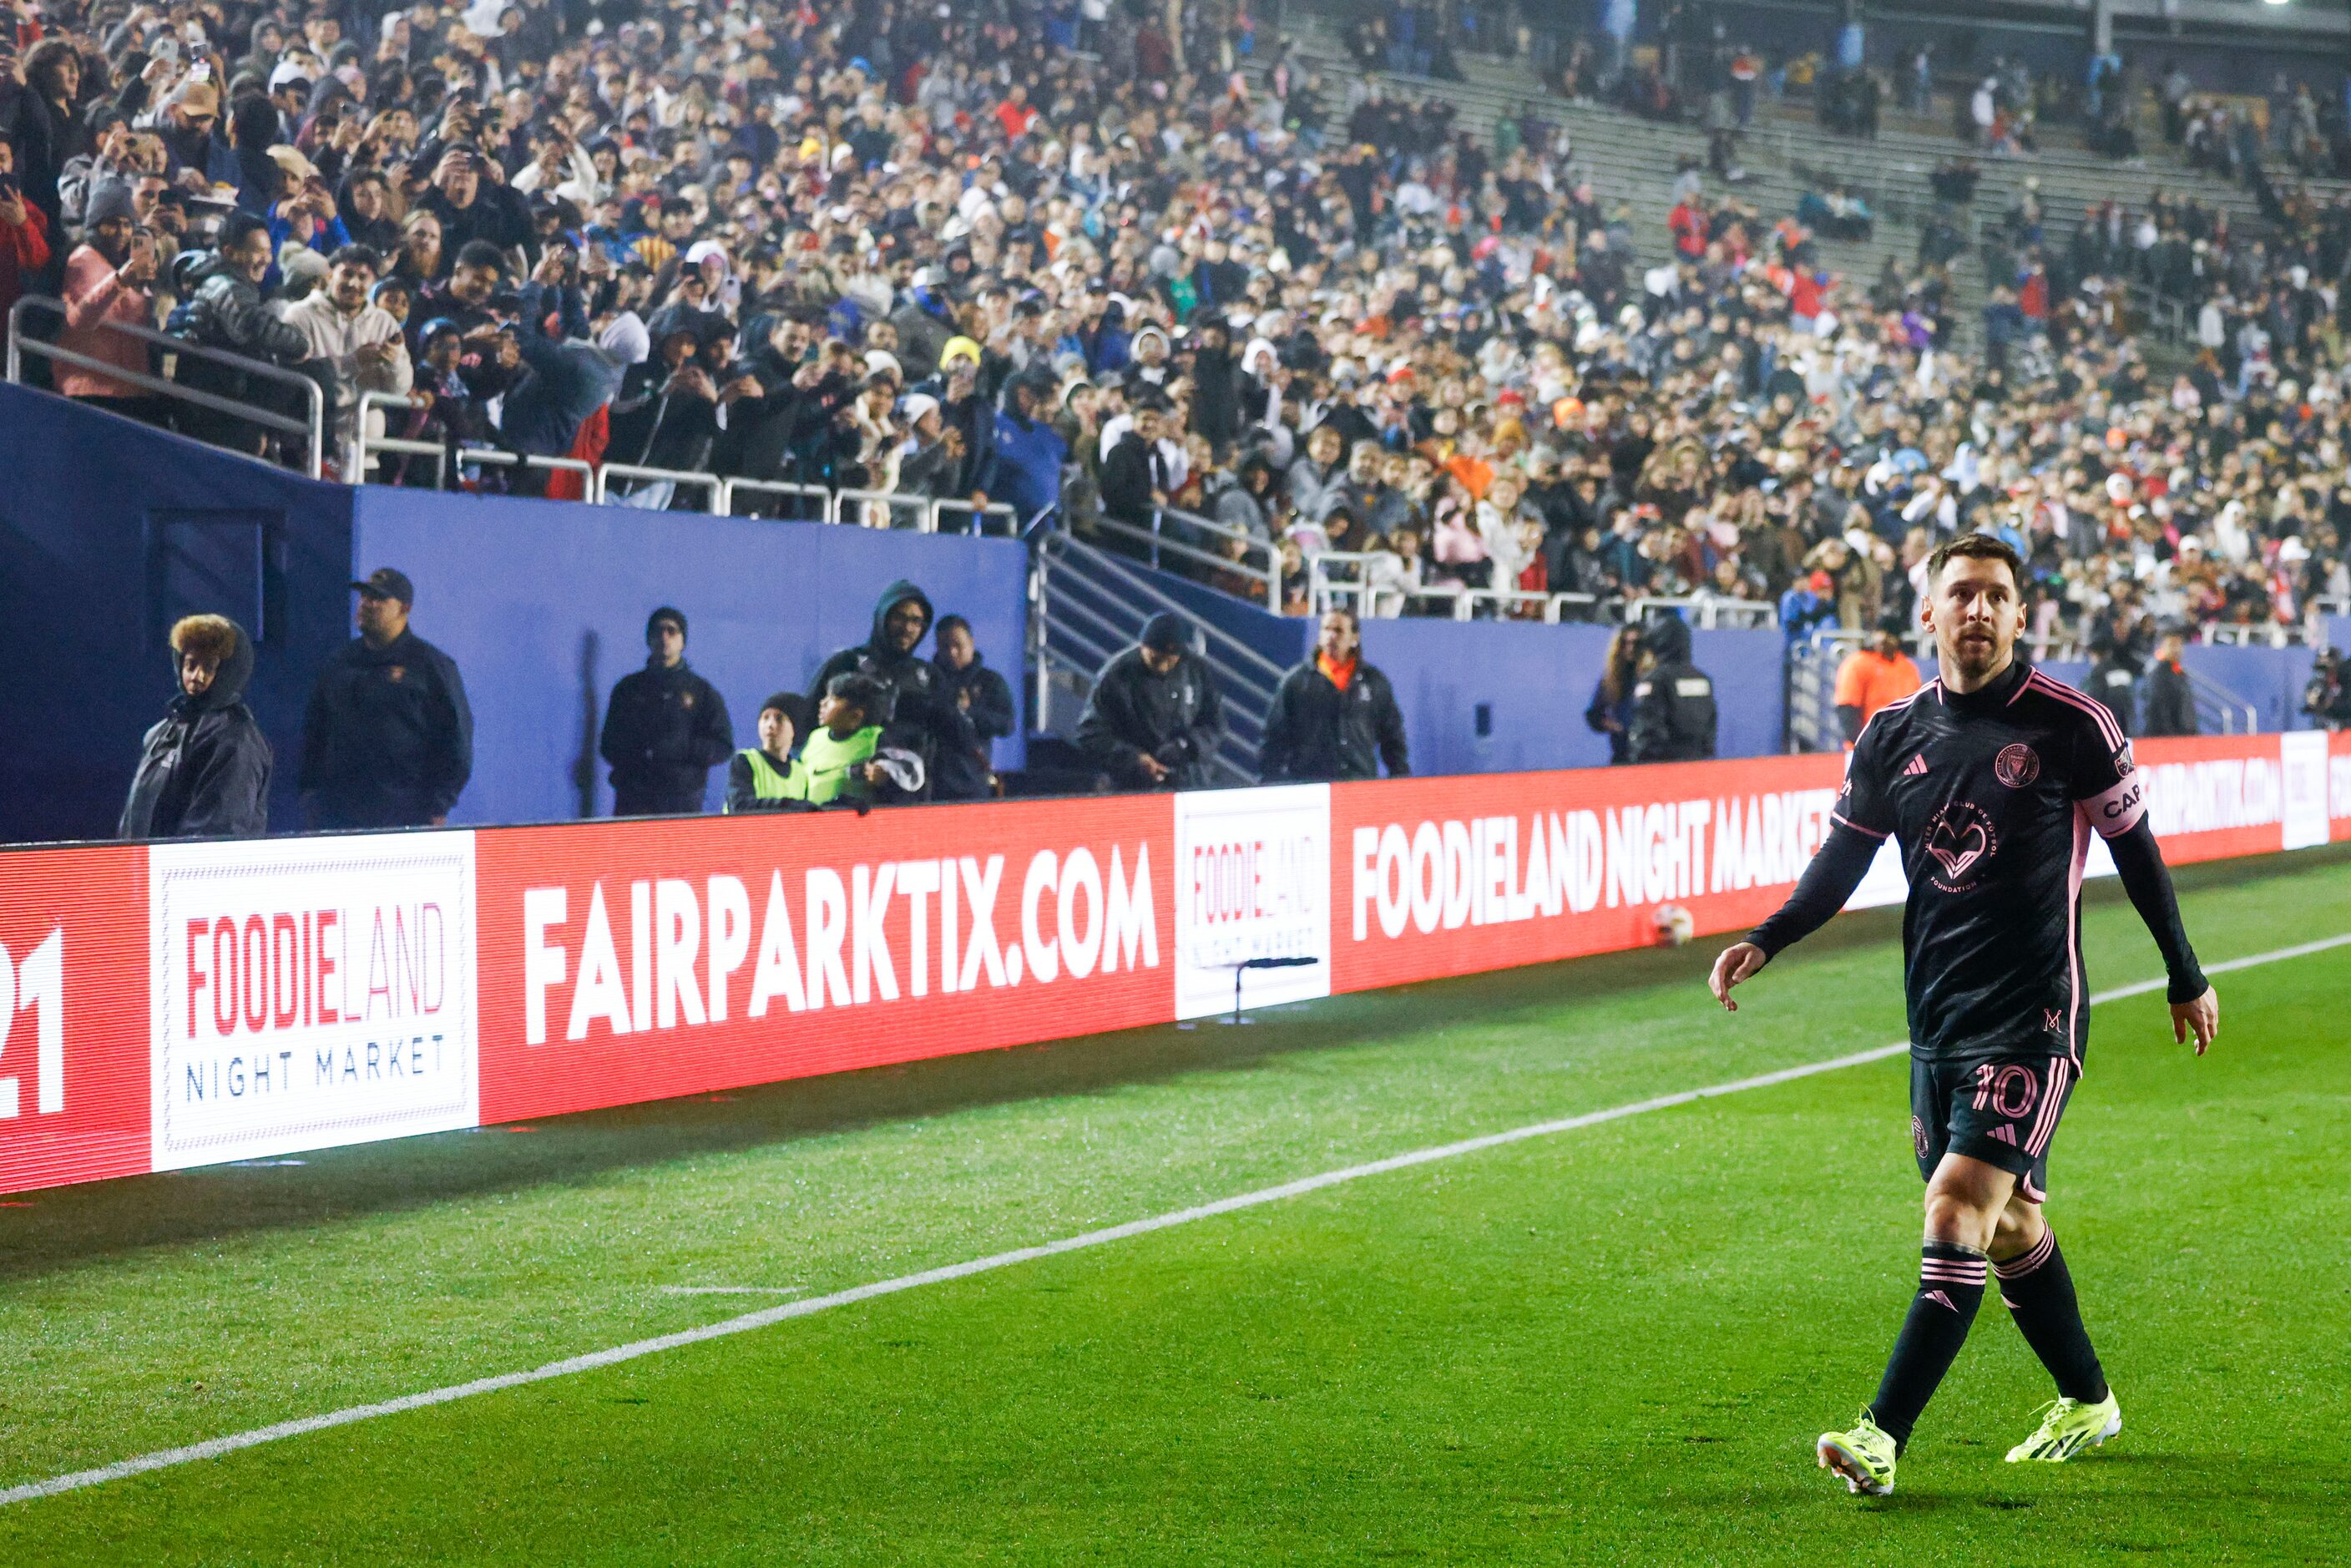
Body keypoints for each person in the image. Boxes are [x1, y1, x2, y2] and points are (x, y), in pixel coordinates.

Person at [1708, 534, 2218, 1498]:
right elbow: (1842, 861)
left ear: (2020, 615)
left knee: (1952, 1205)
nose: (1977, 611)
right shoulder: (1891, 736)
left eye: (1995, 596)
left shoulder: (2072, 725)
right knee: (2008, 1220)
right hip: (1935, 1023)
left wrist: (2182, 974)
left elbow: (2137, 852)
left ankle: (1878, 1436)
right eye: (1961, 596)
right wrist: (1766, 937)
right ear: (1928, 616)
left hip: (2033, 1017)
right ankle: (2087, 1399)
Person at [298, 568, 473, 829]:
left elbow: (456, 740)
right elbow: (315, 730)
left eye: (379, 599)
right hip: (338, 815)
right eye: (365, 597)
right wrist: (309, 793)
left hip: (406, 815)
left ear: (404, 608)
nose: (367, 604)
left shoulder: (430, 666)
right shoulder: (338, 663)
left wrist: (438, 805)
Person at [119, 615, 273, 839]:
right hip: (147, 870)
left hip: (196, 871)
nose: (197, 676)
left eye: (209, 667)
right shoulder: (160, 733)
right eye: (191, 664)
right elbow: (134, 821)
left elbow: (216, 832)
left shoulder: (236, 740)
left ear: (228, 671)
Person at [599, 606, 733, 815]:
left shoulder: (702, 692)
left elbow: (723, 746)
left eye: (672, 631)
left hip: (682, 800)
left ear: (683, 641)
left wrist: (682, 748)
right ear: (648, 639)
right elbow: (608, 745)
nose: (664, 637)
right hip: (635, 798)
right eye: (658, 631)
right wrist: (641, 755)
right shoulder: (628, 689)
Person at [1075, 611, 1226, 790]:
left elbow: (1215, 724)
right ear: (1142, 647)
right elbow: (1091, 732)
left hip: (1190, 782)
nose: (1163, 667)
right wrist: (1135, 759)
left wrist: (1187, 746)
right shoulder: (1116, 674)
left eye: (1170, 662)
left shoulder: (1197, 670)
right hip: (1133, 786)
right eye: (1155, 660)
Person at [1259, 609, 1410, 781]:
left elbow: (1393, 737)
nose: (1331, 636)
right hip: (1312, 786)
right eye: (1326, 629)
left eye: (1338, 630)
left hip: (1360, 785)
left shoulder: (1374, 681)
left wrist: (1400, 779)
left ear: (1355, 637)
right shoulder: (1296, 681)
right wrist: (1270, 782)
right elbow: (1274, 737)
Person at [800, 673, 925, 807]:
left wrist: (883, 780)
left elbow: (905, 784)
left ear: (855, 716)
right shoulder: (816, 737)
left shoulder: (877, 739)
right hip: (812, 822)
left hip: (854, 823)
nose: (822, 703)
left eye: (833, 698)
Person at [930, 615, 1016, 802]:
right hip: (933, 783)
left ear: (971, 642)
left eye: (957, 645)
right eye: (945, 646)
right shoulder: (928, 680)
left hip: (973, 782)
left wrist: (969, 711)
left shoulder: (990, 681)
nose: (952, 652)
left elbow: (1007, 725)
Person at [1625, 614, 1717, 763]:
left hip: (1664, 768)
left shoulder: (1654, 681)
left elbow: (1647, 730)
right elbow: (1710, 727)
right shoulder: (1703, 680)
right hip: (1697, 764)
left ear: (1658, 642)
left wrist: (1639, 762)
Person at [725, 692, 812, 812]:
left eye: (779, 718)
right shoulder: (745, 761)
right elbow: (739, 806)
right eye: (765, 717)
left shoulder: (801, 774)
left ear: (795, 728)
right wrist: (787, 805)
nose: (770, 725)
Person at [1833, 629, 1924, 744]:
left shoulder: (1908, 667)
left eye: (1889, 635)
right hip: (1867, 747)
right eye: (1880, 633)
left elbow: (1917, 710)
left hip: (1902, 748)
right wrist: (1864, 745)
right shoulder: (1857, 663)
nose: (1883, 639)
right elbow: (1847, 709)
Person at [2140, 633, 2197, 736]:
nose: (2176, 650)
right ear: (2163, 648)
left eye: (2178, 645)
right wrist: (2170, 733)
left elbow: (2186, 706)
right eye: (2172, 645)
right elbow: (2157, 705)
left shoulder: (2179, 673)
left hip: (2183, 734)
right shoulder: (2159, 673)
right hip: (2165, 736)